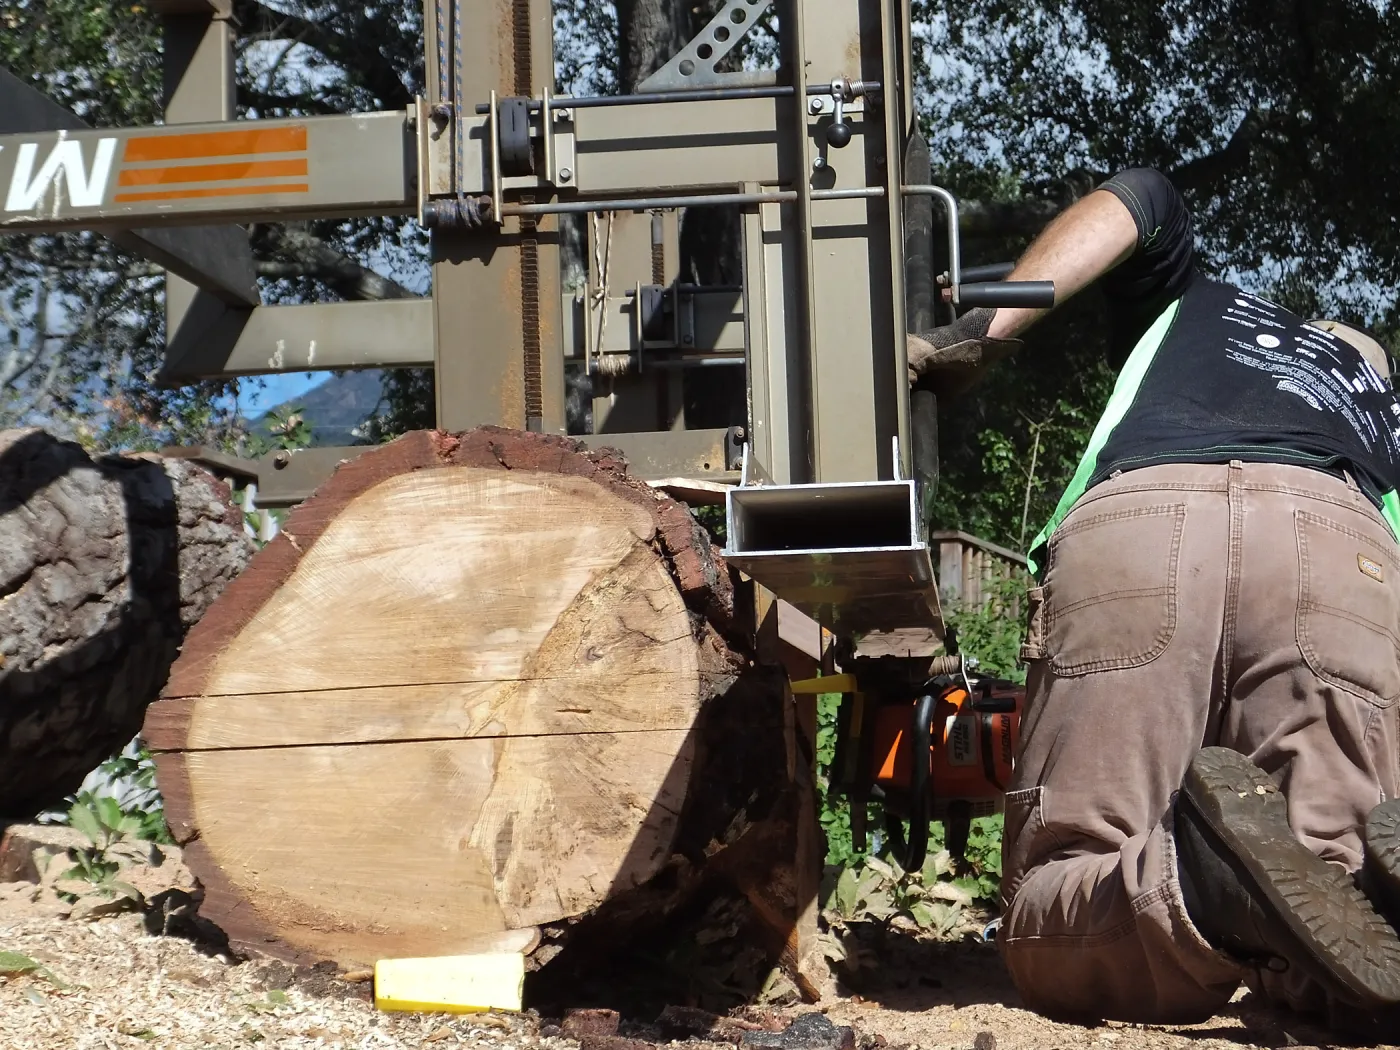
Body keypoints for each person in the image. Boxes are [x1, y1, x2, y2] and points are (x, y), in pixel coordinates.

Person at [907, 168, 1400, 1030]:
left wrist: (979, 334)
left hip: (1147, 517)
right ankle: (1361, 902)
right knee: (1336, 923)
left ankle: (1199, 895)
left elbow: (1144, 199)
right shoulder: (1374, 405)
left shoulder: (1196, 313)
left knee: (1060, 892)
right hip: (1340, 539)